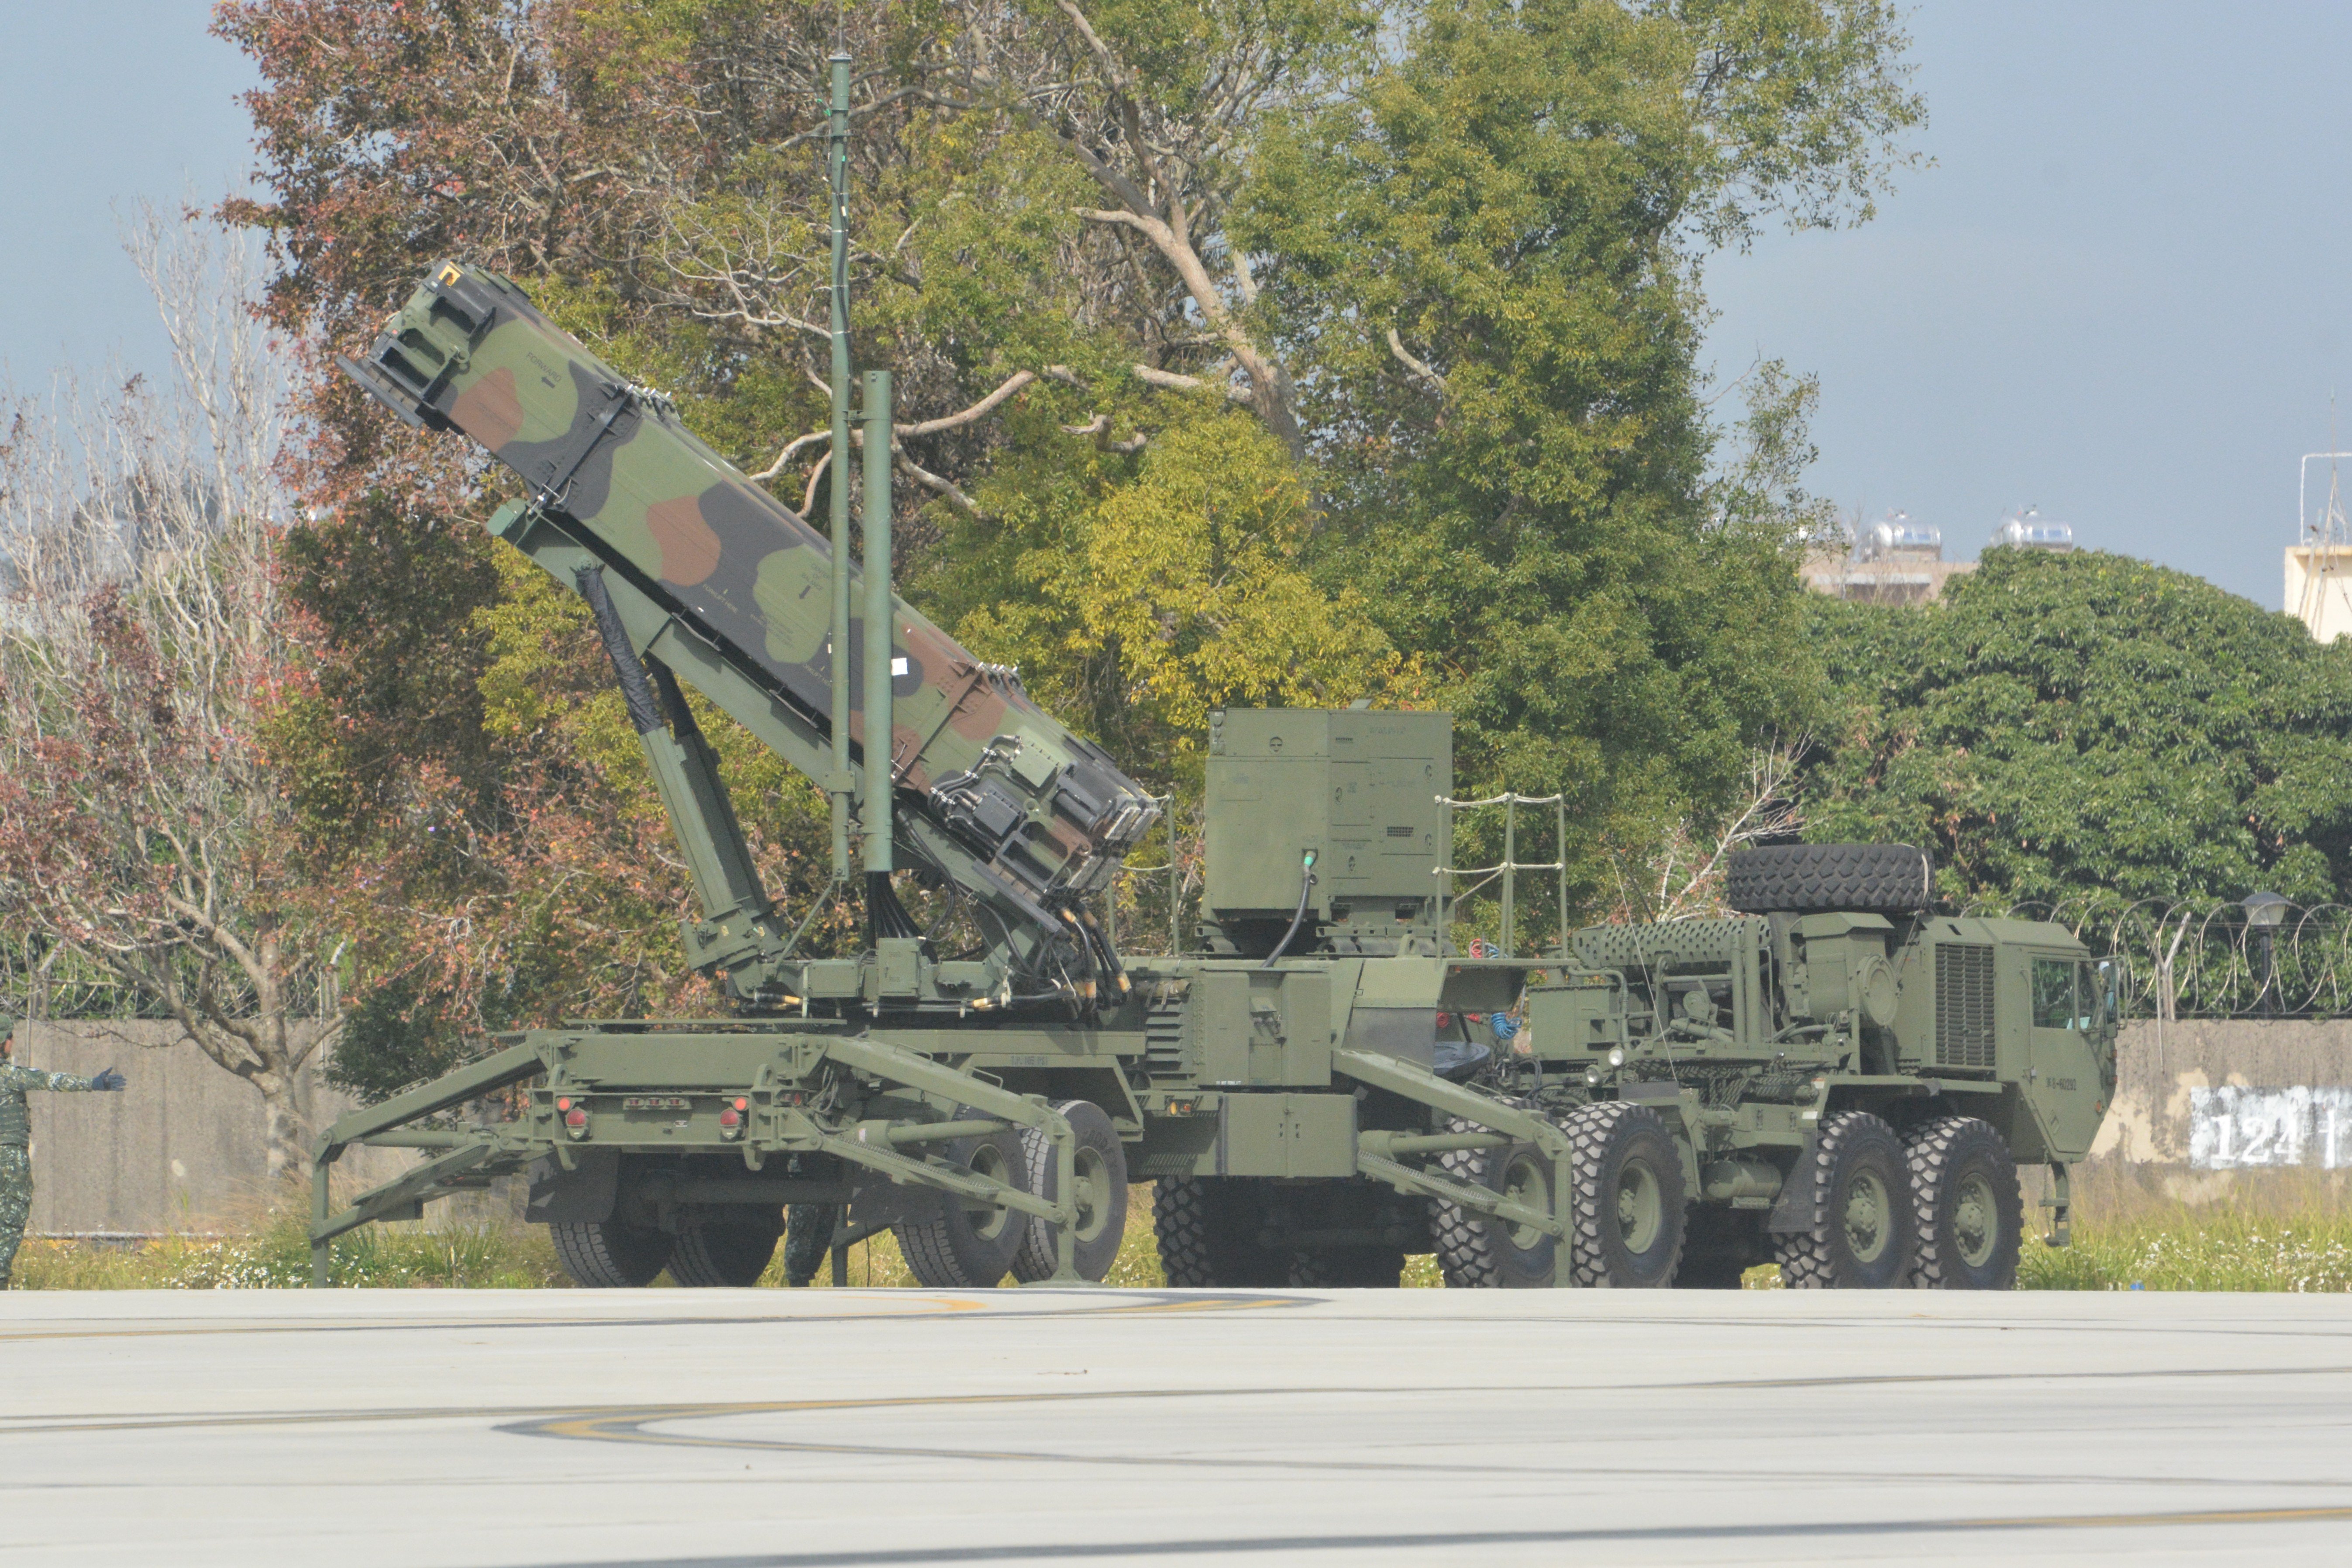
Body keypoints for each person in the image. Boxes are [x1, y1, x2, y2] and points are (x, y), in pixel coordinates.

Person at [0, 1017, 126, 1289]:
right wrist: (94, 1083)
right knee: (13, 1213)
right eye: (10, 1036)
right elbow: (51, 1080)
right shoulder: (10, 1076)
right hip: (9, 1156)